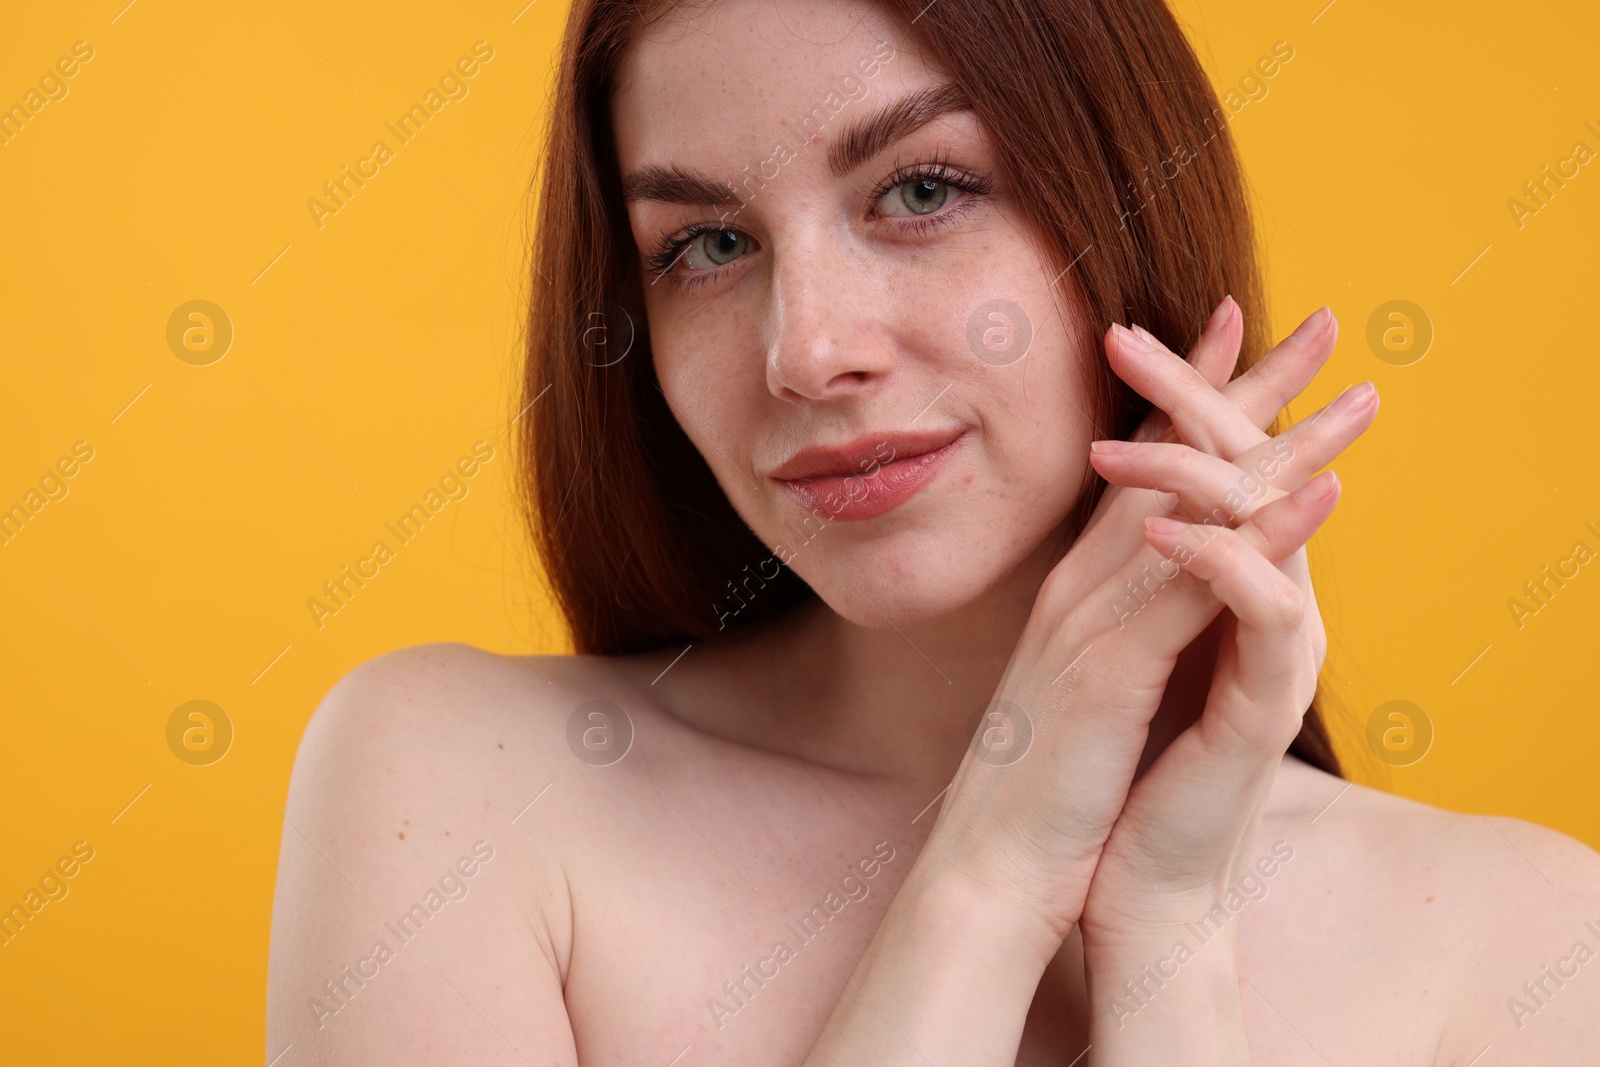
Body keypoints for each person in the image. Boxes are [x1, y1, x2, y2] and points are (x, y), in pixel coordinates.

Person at [266, 0, 1600, 1061]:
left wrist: (1170, 945)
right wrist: (991, 871)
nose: (808, 350)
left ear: (1121, 197)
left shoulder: (1526, 941)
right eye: (707, 246)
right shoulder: (462, 791)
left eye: (918, 191)